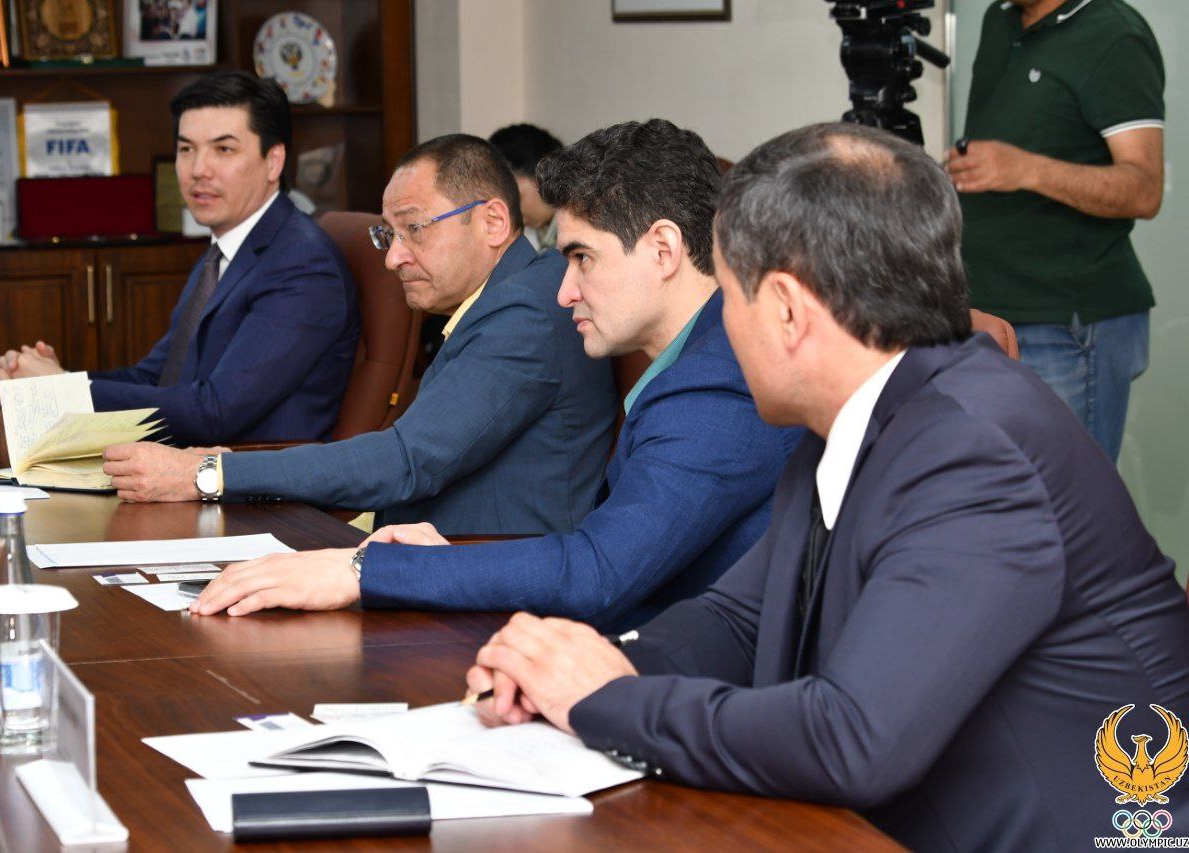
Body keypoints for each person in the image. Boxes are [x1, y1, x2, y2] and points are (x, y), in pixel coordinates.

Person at [465, 123, 1189, 851]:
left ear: (786, 308)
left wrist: (606, 699)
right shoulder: (868, 415)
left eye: (728, 297)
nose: (722, 328)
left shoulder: (975, 449)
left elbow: (853, 739)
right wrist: (580, 666)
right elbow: (741, 619)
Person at [185, 119, 802, 631]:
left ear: (663, 250)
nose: (564, 292)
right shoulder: (701, 360)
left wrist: (364, 573)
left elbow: (597, 573)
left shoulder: (716, 386)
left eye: (582, 258)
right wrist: (442, 560)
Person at [103, 134, 616, 536]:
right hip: (421, 549)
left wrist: (209, 474)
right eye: (388, 235)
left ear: (493, 222)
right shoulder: (506, 295)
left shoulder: (526, 312)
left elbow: (405, 461)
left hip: (487, 583)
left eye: (414, 229)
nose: (394, 258)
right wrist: (229, 465)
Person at [0, 70, 359, 447]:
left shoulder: (302, 265)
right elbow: (157, 378)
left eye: (223, 150)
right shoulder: (223, 253)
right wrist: (50, 384)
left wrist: (59, 394)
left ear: (274, 161)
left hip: (251, 476)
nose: (198, 170)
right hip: (185, 464)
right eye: (186, 150)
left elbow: (216, 412)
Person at [946, 0, 1164, 462]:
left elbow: (1145, 189)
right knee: (1001, 494)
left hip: (1066, 326)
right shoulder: (999, 19)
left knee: (1065, 497)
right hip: (988, 315)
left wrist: (1026, 169)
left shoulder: (1115, 35)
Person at [490, 123, 563, 252]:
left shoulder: (584, 225)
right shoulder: (536, 234)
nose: (513, 214)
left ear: (542, 173)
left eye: (517, 199)